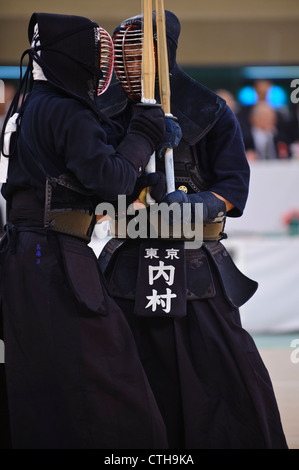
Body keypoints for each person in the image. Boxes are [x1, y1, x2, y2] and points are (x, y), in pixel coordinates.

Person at [96, 10, 288, 449]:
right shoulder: (105, 111)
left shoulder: (211, 110)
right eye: (123, 49)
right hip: (126, 263)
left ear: (163, 52)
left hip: (195, 263)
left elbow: (234, 186)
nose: (128, 59)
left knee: (222, 376)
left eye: (138, 49)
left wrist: (195, 205)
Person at [0, 12, 170, 449]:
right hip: (54, 258)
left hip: (26, 257)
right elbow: (108, 178)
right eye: (96, 54)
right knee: (112, 379)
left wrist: (133, 169)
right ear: (72, 55)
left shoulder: (32, 103)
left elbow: (77, 176)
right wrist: (143, 137)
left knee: (40, 382)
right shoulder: (66, 109)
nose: (101, 65)